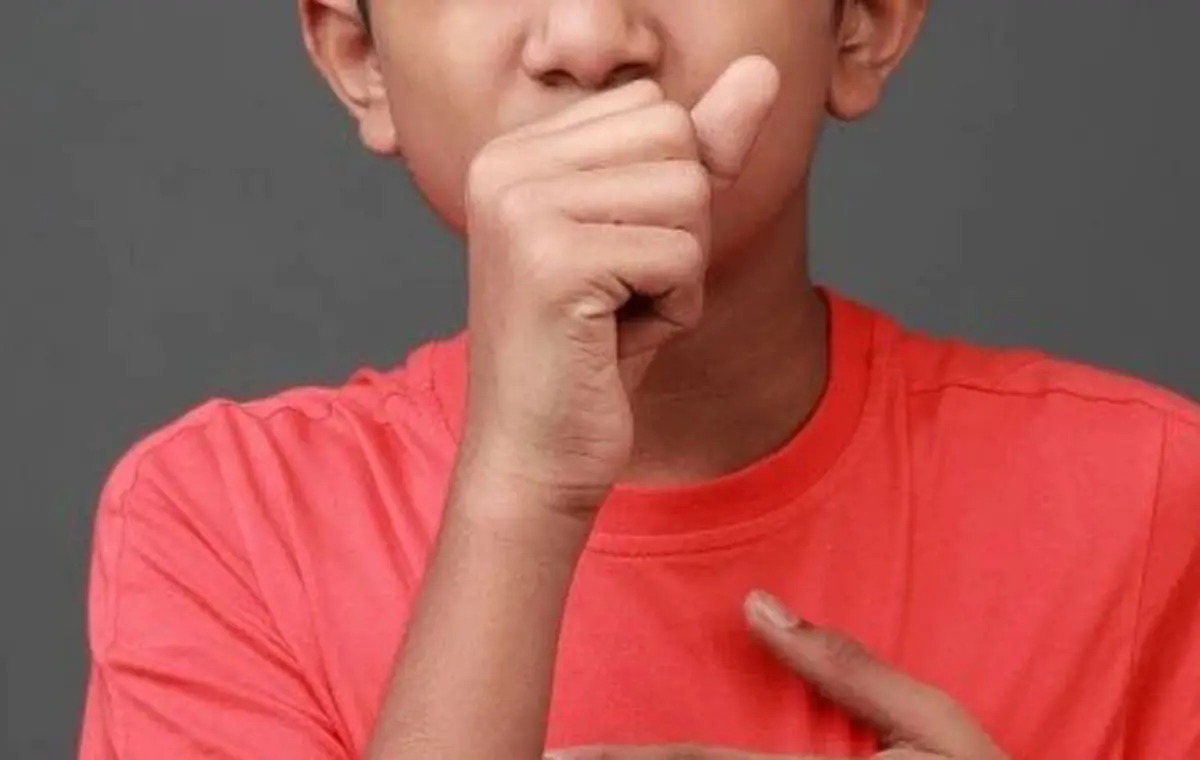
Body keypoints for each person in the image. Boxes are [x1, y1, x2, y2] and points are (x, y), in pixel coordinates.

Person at [78, 1, 1200, 758]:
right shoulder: (223, 527)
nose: (588, 38)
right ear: (358, 58)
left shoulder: (1154, 500)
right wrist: (523, 485)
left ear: (864, 20)